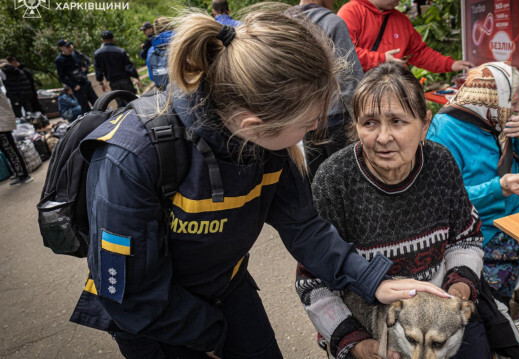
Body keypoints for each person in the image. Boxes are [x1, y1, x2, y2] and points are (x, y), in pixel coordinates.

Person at [69, 8, 447, 359]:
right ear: (253, 125)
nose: (316, 129)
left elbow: (303, 226)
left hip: (226, 288)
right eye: (307, 122)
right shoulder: (131, 157)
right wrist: (213, 336)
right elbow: (132, 294)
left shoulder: (269, 142)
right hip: (154, 318)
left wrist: (373, 280)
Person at [296, 63, 491, 359]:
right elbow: (312, 280)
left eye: (398, 121)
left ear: (425, 125)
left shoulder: (440, 164)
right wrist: (356, 342)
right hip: (364, 317)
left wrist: (460, 284)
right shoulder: (334, 179)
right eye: (370, 123)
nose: (383, 137)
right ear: (355, 126)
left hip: (440, 317)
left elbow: (466, 237)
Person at [427, 62, 519, 305]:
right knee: (490, 302)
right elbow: (448, 201)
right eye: (512, 103)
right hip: (484, 228)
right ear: (489, 98)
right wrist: (501, 187)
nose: (518, 111)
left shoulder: (494, 119)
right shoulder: (444, 131)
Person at [291, 0, 364, 179]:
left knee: (317, 179)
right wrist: (361, 118)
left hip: (301, 120)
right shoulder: (333, 23)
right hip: (337, 119)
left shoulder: (285, 22)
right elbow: (349, 78)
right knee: (347, 179)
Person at [337, 0, 474, 72]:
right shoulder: (351, 12)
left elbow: (419, 53)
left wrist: (450, 64)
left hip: (394, 91)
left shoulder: (401, 20)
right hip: (362, 94)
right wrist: (382, 59)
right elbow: (343, 54)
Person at [94, 30, 142, 106]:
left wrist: (101, 83)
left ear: (102, 40)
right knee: (133, 102)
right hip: (125, 81)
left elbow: (98, 70)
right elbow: (129, 66)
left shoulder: (97, 54)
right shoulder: (120, 51)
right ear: (113, 39)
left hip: (113, 84)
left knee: (120, 104)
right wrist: (137, 78)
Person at [0, 75, 33, 186]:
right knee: (7, 150)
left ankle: (23, 174)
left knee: (10, 149)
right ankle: (19, 173)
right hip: (3, 122)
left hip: (2, 124)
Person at [55, 39, 98, 113]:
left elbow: (85, 63)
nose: (70, 48)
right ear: (61, 48)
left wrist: (85, 69)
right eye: (67, 47)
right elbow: (61, 77)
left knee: (97, 103)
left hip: (85, 82)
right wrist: (73, 85)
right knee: (85, 108)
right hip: (77, 86)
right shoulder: (60, 60)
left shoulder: (75, 54)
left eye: (70, 46)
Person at [146, 17, 173, 90]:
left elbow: (152, 77)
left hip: (163, 89)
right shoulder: (181, 42)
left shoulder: (151, 50)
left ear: (155, 30)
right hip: (182, 87)